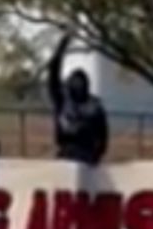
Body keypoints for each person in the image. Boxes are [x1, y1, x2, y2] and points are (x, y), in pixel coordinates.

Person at [46, 35, 109, 166]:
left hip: (88, 154)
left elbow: (103, 134)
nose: (77, 86)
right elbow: (53, 73)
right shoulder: (62, 100)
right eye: (74, 82)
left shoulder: (94, 106)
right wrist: (61, 47)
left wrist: (98, 153)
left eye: (81, 83)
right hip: (66, 151)